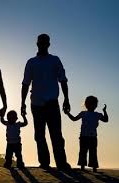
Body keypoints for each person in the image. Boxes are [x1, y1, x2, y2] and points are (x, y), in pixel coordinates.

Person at [21, 33, 71, 170]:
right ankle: (44, 162)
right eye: (40, 42)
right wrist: (22, 103)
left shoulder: (55, 60)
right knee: (39, 135)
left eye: (45, 42)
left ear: (48, 44)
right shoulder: (31, 62)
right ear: (37, 44)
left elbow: (63, 80)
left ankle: (61, 162)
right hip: (36, 104)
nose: (42, 44)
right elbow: (25, 84)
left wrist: (66, 99)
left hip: (52, 103)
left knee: (56, 135)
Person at [65, 96, 108, 172]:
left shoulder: (97, 114)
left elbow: (106, 120)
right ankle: (83, 167)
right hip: (84, 136)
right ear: (86, 104)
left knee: (92, 152)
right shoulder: (83, 113)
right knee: (83, 152)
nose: (92, 105)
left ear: (96, 105)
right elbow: (74, 119)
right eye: (90, 104)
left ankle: (93, 168)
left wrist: (104, 111)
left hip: (92, 137)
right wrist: (68, 113)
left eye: (93, 104)